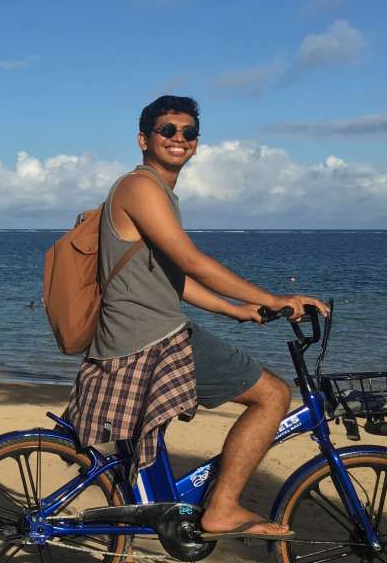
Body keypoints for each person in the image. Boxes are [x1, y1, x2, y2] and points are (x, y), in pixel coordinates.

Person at [69, 95, 329, 541]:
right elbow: (192, 261)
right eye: (167, 130)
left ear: (197, 143)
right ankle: (222, 508)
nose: (179, 138)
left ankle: (171, 501)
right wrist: (275, 297)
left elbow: (175, 278)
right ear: (143, 140)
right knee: (272, 395)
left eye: (188, 132)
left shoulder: (157, 192)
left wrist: (238, 309)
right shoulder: (141, 188)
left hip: (148, 332)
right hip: (150, 338)